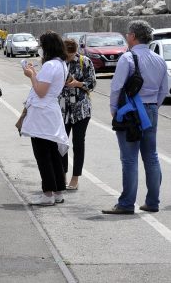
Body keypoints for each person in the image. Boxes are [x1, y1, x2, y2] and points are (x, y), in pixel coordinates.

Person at [103, 20, 169, 215]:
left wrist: (114, 109)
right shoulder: (158, 59)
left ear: (133, 36)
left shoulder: (128, 58)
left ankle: (126, 204)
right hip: (151, 110)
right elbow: (164, 90)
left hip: (131, 111)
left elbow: (116, 87)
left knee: (129, 159)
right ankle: (152, 202)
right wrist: (153, 106)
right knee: (151, 156)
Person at [20, 31, 69, 206]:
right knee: (53, 152)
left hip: (43, 112)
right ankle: (57, 191)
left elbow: (40, 91)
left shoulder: (50, 66)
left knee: (43, 154)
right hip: (50, 111)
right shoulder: (61, 64)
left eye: (41, 45)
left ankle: (47, 192)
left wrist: (31, 75)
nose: (40, 49)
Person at [60, 38, 96, 191]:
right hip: (62, 109)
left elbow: (92, 83)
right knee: (61, 143)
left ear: (75, 51)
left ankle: (75, 178)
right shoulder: (59, 62)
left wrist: (78, 84)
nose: (68, 57)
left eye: (70, 55)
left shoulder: (85, 61)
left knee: (78, 143)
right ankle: (62, 175)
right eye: (66, 55)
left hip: (81, 109)